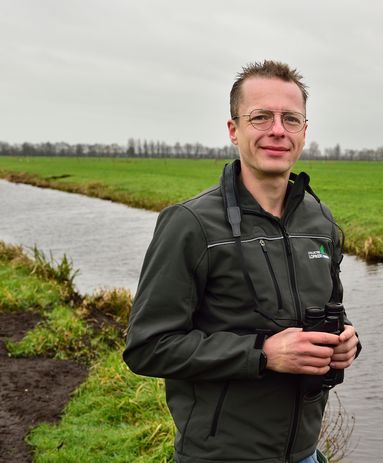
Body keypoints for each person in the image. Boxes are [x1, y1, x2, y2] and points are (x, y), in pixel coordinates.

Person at [123, 60, 360, 463]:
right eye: (261, 117)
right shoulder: (191, 224)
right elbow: (148, 347)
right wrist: (263, 354)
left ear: (304, 132)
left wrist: (347, 342)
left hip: (304, 453)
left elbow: (330, 309)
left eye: (291, 119)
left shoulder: (319, 220)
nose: (277, 130)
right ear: (234, 130)